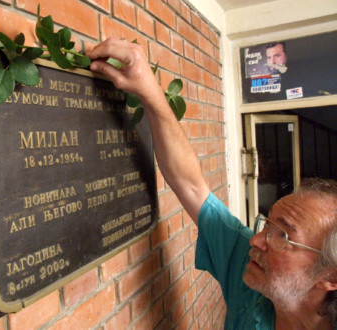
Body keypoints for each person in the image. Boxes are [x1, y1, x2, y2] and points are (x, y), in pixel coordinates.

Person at [87, 38, 337, 329]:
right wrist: (150, 91)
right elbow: (191, 186)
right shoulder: (252, 273)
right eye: (267, 225)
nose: (256, 241)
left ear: (330, 276)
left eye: (282, 236)